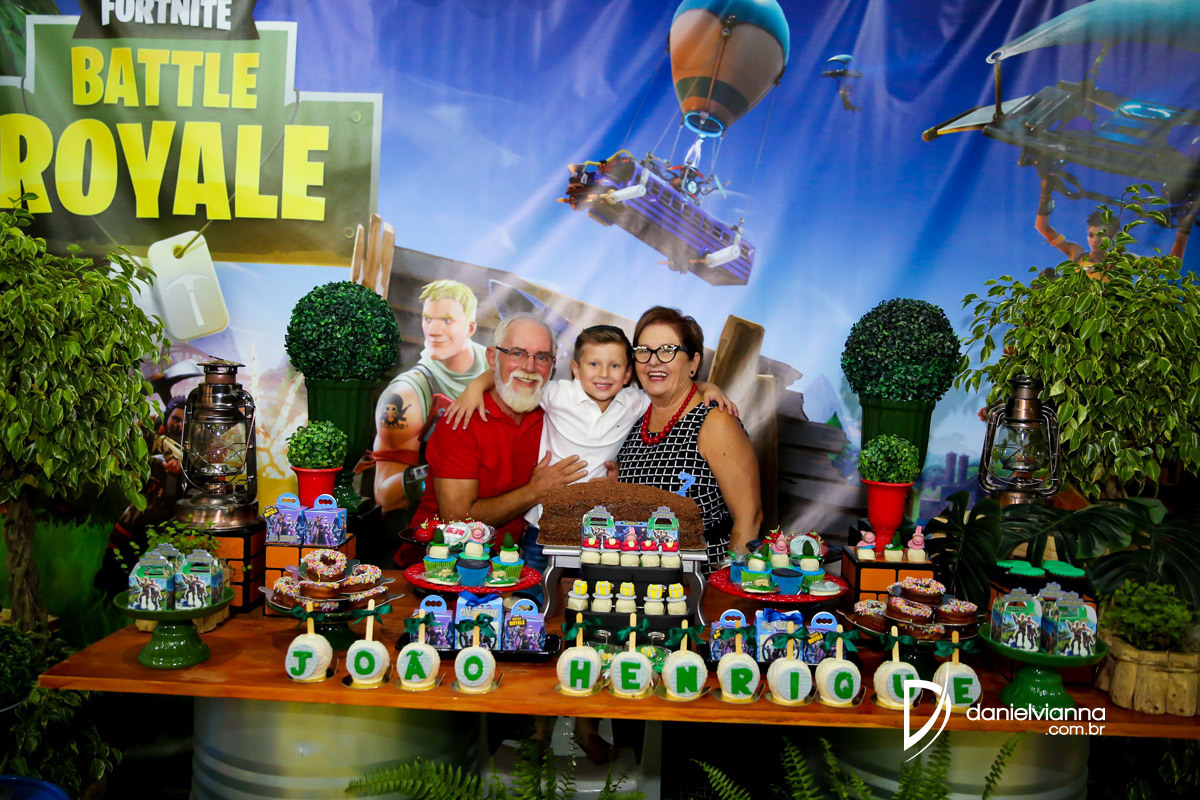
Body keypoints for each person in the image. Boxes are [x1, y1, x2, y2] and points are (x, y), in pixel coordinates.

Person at [444, 324, 736, 534]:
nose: (603, 374)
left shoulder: (634, 401)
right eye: (594, 364)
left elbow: (676, 388)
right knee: (538, 590)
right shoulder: (557, 393)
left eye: (614, 366)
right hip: (543, 522)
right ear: (575, 369)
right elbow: (518, 377)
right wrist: (475, 387)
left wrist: (707, 387)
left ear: (628, 374)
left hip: (597, 526)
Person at [406, 312, 587, 558]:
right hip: (439, 565)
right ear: (492, 357)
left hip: (512, 564)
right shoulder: (462, 420)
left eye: (542, 357)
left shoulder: (553, 414)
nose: (530, 367)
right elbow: (459, 520)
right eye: (517, 353)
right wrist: (535, 491)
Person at [614, 306, 761, 571]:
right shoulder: (632, 416)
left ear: (693, 363)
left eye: (667, 350)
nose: (653, 361)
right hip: (634, 581)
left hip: (700, 582)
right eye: (644, 351)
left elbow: (749, 518)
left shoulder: (715, 421)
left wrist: (725, 585)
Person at [370, 280, 489, 513]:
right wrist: (449, 467)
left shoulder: (499, 369)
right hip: (433, 525)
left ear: (470, 328)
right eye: (427, 319)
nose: (433, 331)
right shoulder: (406, 394)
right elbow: (385, 496)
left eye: (447, 320)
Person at [1035, 177, 1196, 275]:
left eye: (1102, 235)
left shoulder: (1123, 260)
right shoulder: (1076, 253)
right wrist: (1045, 194)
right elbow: (1042, 227)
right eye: (1091, 235)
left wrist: (1183, 231)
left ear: (1112, 236)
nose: (1095, 240)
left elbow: (1171, 266)